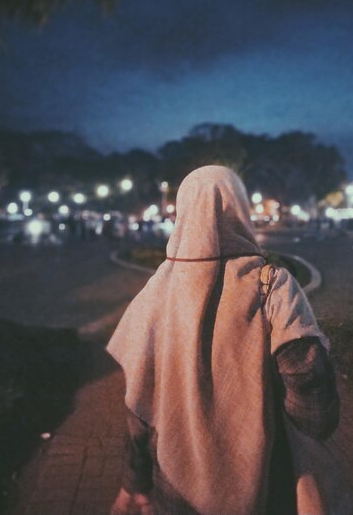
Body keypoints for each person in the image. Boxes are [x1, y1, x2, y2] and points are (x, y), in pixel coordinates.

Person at [107, 165, 339, 515]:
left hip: (173, 482)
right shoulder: (272, 285)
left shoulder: (155, 294)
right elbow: (308, 383)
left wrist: (134, 482)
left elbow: (137, 405)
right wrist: (308, 431)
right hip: (265, 476)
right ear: (239, 208)